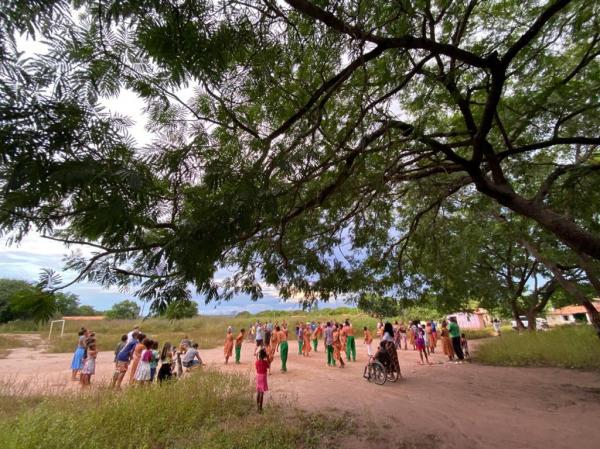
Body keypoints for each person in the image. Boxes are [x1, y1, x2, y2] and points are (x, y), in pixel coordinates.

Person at [255, 348, 270, 413]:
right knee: (262, 393)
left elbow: (256, 367)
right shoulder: (265, 362)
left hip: (258, 376)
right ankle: (260, 408)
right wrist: (267, 357)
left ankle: (257, 406)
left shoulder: (257, 362)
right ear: (264, 356)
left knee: (258, 392)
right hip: (263, 376)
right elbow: (268, 366)